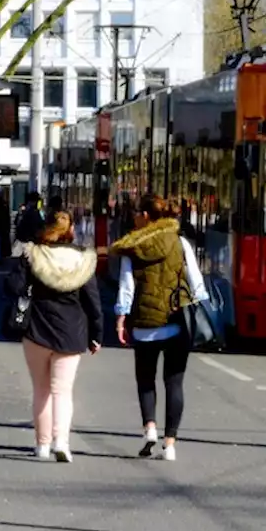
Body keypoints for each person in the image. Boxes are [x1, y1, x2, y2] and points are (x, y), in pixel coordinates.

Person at [111, 194, 208, 462]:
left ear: (145, 216)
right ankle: (170, 444)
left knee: (145, 379)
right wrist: (200, 312)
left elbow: (127, 287)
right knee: (174, 383)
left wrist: (121, 317)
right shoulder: (180, 243)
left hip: (144, 323)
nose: (133, 217)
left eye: (136, 212)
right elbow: (196, 283)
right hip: (177, 323)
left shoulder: (133, 247)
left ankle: (150, 429)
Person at [7, 211, 101, 462]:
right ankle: (62, 442)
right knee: (63, 391)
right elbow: (93, 303)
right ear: (71, 231)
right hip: (71, 333)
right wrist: (96, 334)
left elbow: (13, 287)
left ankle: (42, 445)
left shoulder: (33, 254)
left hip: (36, 330)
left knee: (41, 390)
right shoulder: (83, 260)